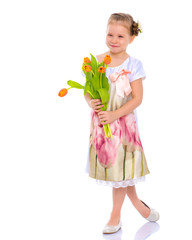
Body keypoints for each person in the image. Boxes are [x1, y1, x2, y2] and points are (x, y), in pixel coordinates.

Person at [84, 13, 160, 234]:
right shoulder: (96, 62)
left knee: (122, 170)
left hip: (124, 127)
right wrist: (92, 102)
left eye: (120, 36)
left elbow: (137, 99)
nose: (114, 40)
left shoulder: (134, 64)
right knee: (120, 172)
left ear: (131, 39)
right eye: (110, 34)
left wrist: (114, 114)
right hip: (101, 125)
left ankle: (115, 216)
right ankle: (138, 205)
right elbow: (88, 93)